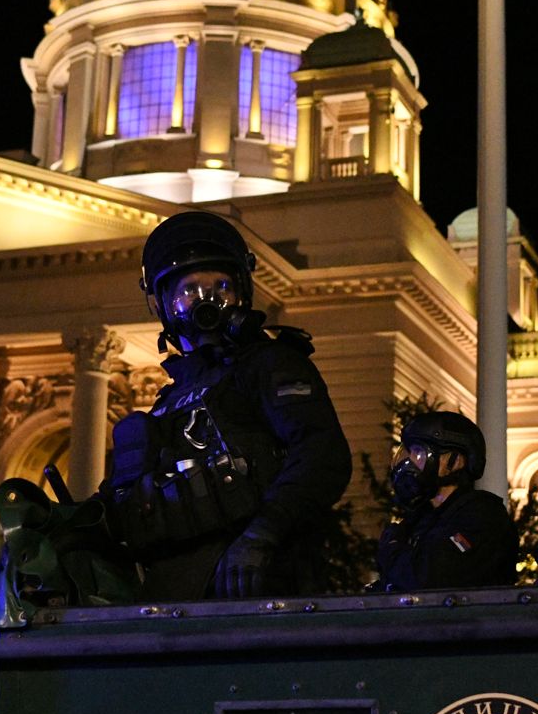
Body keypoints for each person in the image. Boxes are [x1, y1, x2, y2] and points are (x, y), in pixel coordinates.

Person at [102, 211, 351, 600]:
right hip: (176, 594)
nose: (207, 301)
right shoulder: (168, 400)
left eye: (221, 286)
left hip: (259, 584)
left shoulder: (268, 363)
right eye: (190, 290)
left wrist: (262, 535)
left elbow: (323, 456)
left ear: (242, 292)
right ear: (161, 303)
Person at [373, 410, 514, 591]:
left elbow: (430, 578)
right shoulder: (418, 520)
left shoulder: (483, 517)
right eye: (406, 453)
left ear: (455, 462)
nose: (408, 463)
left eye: (418, 453)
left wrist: (393, 548)